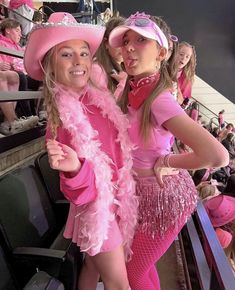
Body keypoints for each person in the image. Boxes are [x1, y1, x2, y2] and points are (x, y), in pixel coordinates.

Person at [109, 11, 229, 289]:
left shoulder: (159, 98)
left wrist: (167, 159)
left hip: (164, 200)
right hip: (143, 194)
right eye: (126, 41)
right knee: (139, 267)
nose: (128, 47)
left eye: (141, 40)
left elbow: (218, 156)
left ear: (162, 52)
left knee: (131, 274)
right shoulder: (136, 88)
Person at [24, 12, 138, 290]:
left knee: (90, 267)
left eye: (84, 53)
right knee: (119, 284)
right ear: (49, 64)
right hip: (97, 208)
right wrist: (75, 169)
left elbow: (118, 148)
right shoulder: (62, 120)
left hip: (115, 196)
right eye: (66, 54)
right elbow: (75, 191)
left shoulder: (97, 99)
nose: (78, 62)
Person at [92, 15, 127, 100]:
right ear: (106, 43)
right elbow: (105, 108)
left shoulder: (126, 67)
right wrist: (123, 84)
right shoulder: (97, 69)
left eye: (126, 42)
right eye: (117, 42)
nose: (123, 48)